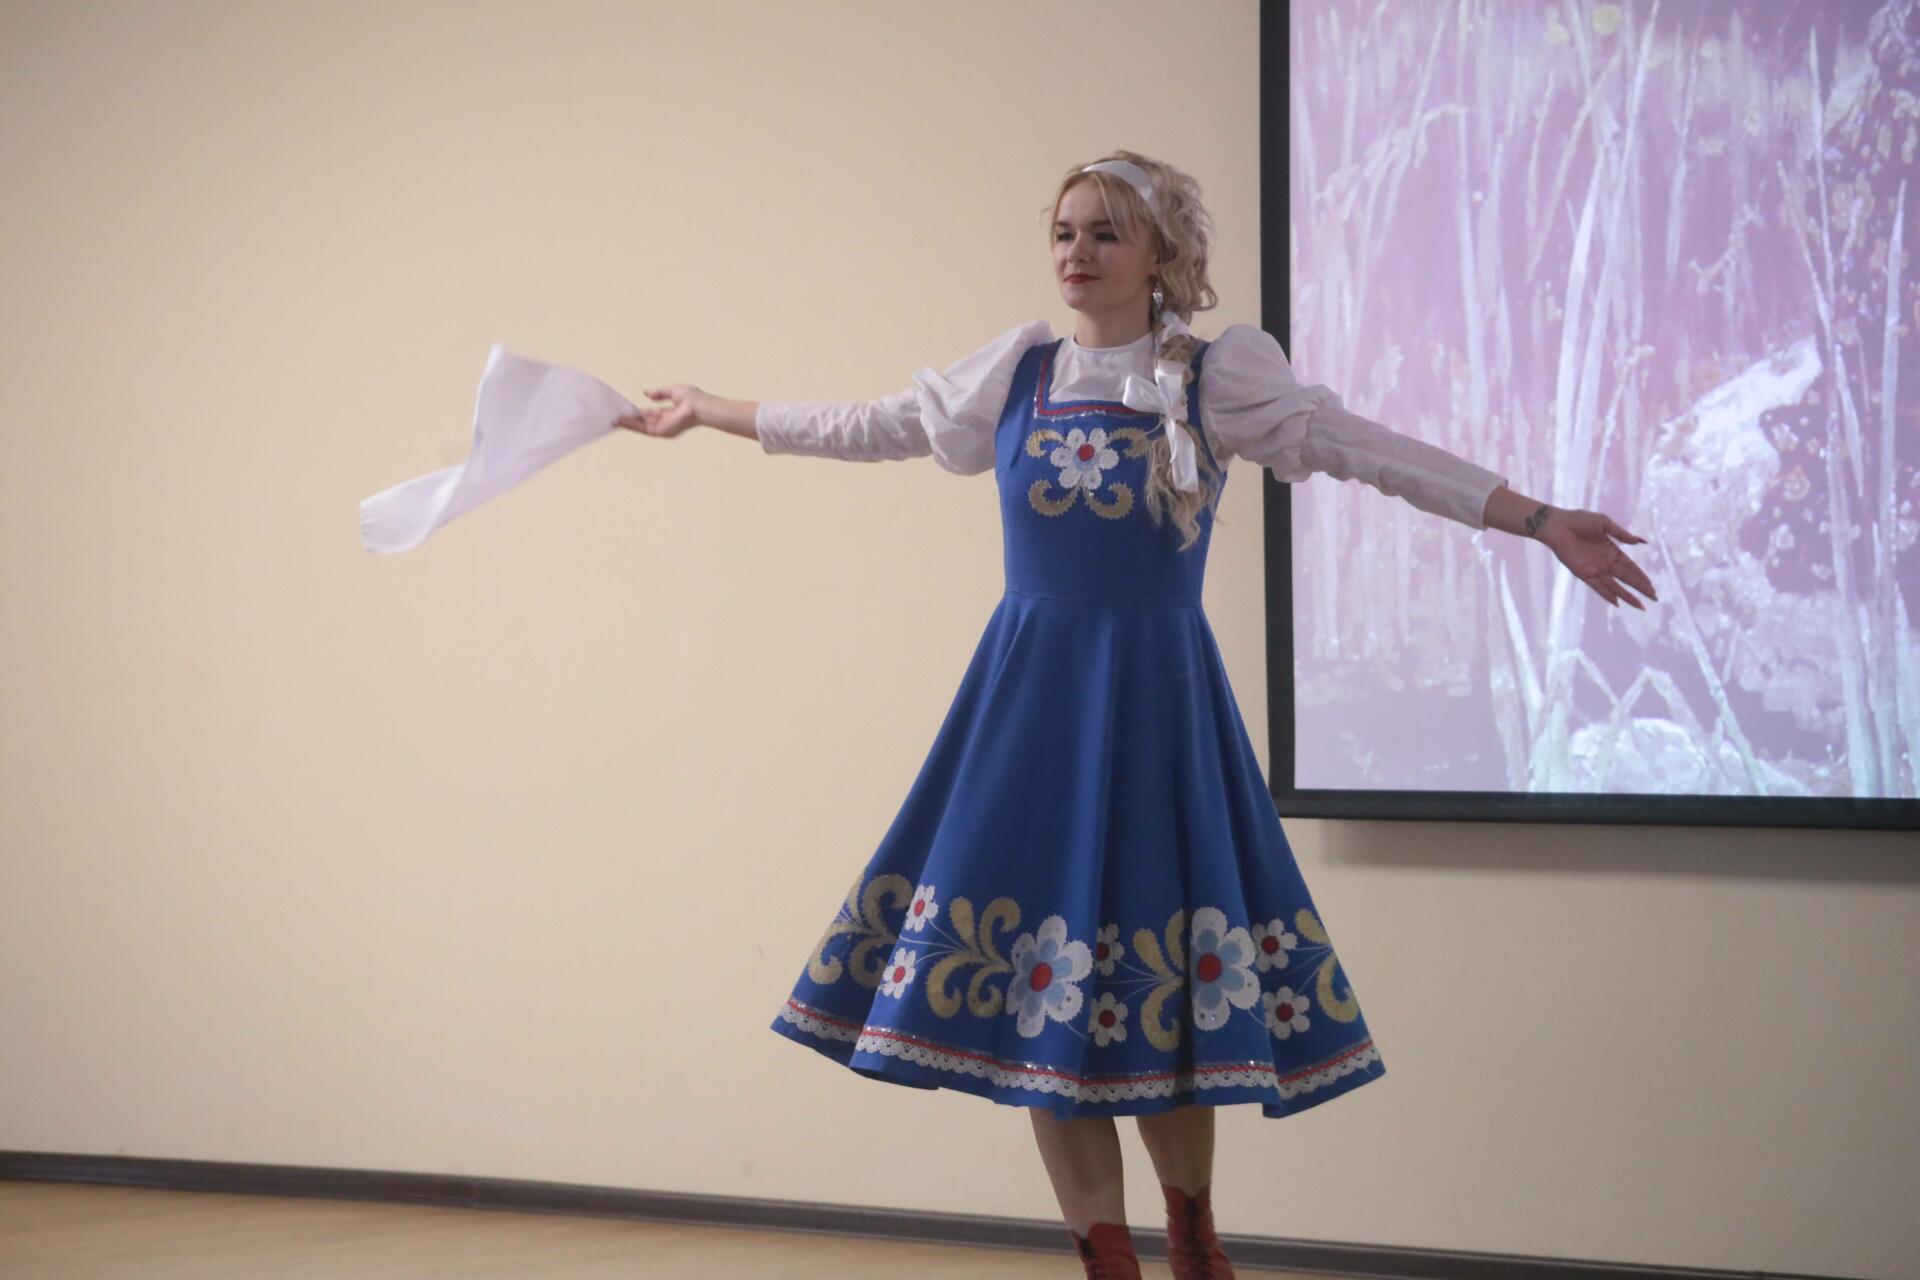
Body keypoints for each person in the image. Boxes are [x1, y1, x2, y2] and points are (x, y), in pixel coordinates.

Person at [611, 152, 1657, 1279]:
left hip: (1159, 711)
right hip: (1027, 714)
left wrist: (1535, 517)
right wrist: (711, 410)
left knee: (1167, 991)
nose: (1078, 251)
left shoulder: (1215, 377)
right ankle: (1105, 1257)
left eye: (1106, 232)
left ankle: (1192, 1234)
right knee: (1034, 984)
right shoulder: (1016, 372)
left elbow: (1366, 449)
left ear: (1160, 254)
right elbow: (874, 424)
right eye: (1065, 231)